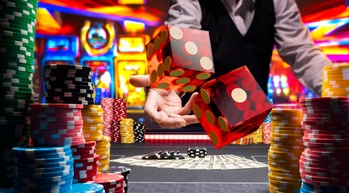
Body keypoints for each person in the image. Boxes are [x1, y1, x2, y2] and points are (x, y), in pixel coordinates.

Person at [129, 0, 332, 129]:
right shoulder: (192, 2)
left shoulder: (279, 2)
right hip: (200, 127)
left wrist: (341, 89)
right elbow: (182, 37)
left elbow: (303, 53)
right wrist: (168, 82)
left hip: (253, 130)